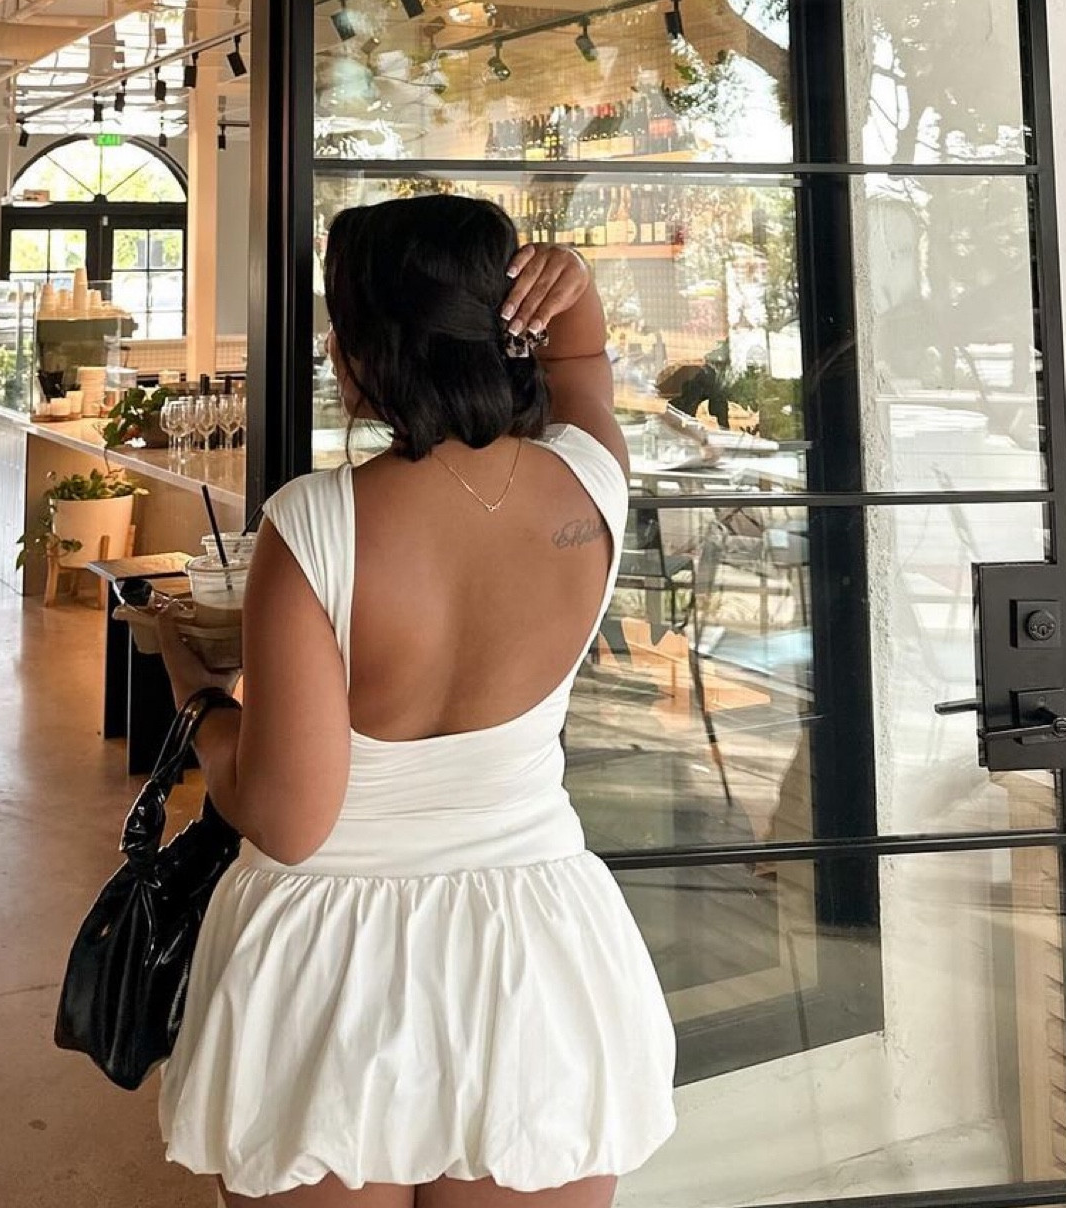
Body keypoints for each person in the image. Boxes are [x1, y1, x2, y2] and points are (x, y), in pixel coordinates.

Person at [155, 192, 677, 1206]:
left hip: (328, 960)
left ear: (361, 353)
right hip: (531, 944)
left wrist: (198, 702)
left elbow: (291, 817)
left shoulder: (314, 523)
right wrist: (566, 289)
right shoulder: (591, 485)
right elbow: (582, 372)